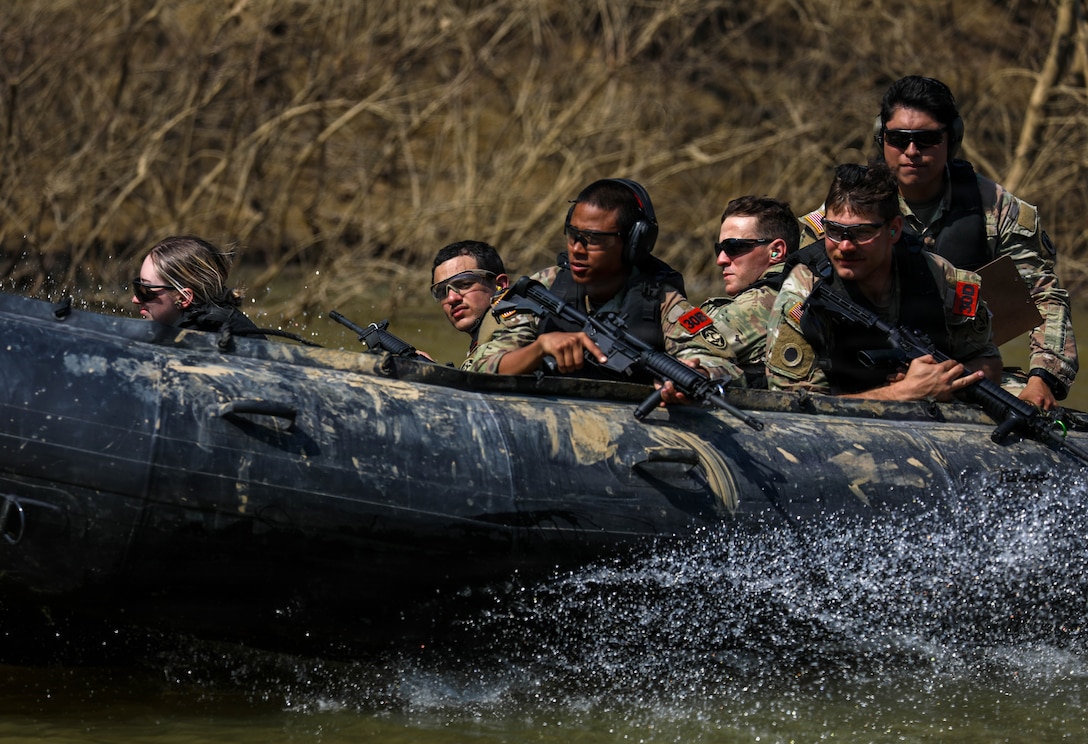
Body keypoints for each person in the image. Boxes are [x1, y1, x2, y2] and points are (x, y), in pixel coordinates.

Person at [799, 75, 1077, 409]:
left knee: (1025, 409)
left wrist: (1042, 380)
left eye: (927, 139)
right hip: (863, 364)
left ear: (952, 139)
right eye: (898, 139)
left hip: (959, 367)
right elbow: (795, 281)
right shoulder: (851, 206)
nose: (911, 151)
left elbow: (1043, 296)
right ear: (881, 138)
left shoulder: (998, 209)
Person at [465, 177, 744, 394]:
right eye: (572, 235)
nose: (577, 249)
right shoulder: (544, 287)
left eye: (593, 239)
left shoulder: (661, 301)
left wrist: (695, 374)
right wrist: (539, 349)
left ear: (633, 244)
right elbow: (480, 364)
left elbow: (723, 365)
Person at [766, 162, 1002, 400]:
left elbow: (988, 360)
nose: (845, 246)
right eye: (834, 231)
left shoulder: (938, 277)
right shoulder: (804, 292)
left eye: (862, 232)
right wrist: (904, 392)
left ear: (894, 230)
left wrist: (943, 385)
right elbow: (796, 409)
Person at [700, 196, 801, 387]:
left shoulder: (763, 302)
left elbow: (678, 350)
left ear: (776, 251)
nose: (721, 259)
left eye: (733, 247)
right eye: (719, 248)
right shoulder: (795, 289)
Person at [131, 235, 262, 337]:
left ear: (183, 298)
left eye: (145, 291)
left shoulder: (208, 339)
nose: (135, 299)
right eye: (138, 286)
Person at [430, 240, 509, 356]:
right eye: (442, 291)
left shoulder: (517, 327)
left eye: (464, 284)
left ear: (500, 285)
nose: (451, 298)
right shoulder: (482, 344)